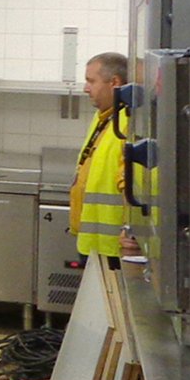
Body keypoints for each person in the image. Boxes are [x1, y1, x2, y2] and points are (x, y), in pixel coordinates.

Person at [71, 52, 132, 268]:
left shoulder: (128, 125)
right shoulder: (105, 118)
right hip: (93, 242)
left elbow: (133, 186)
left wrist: (133, 231)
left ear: (114, 82)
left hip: (114, 247)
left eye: (91, 81)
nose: (86, 89)